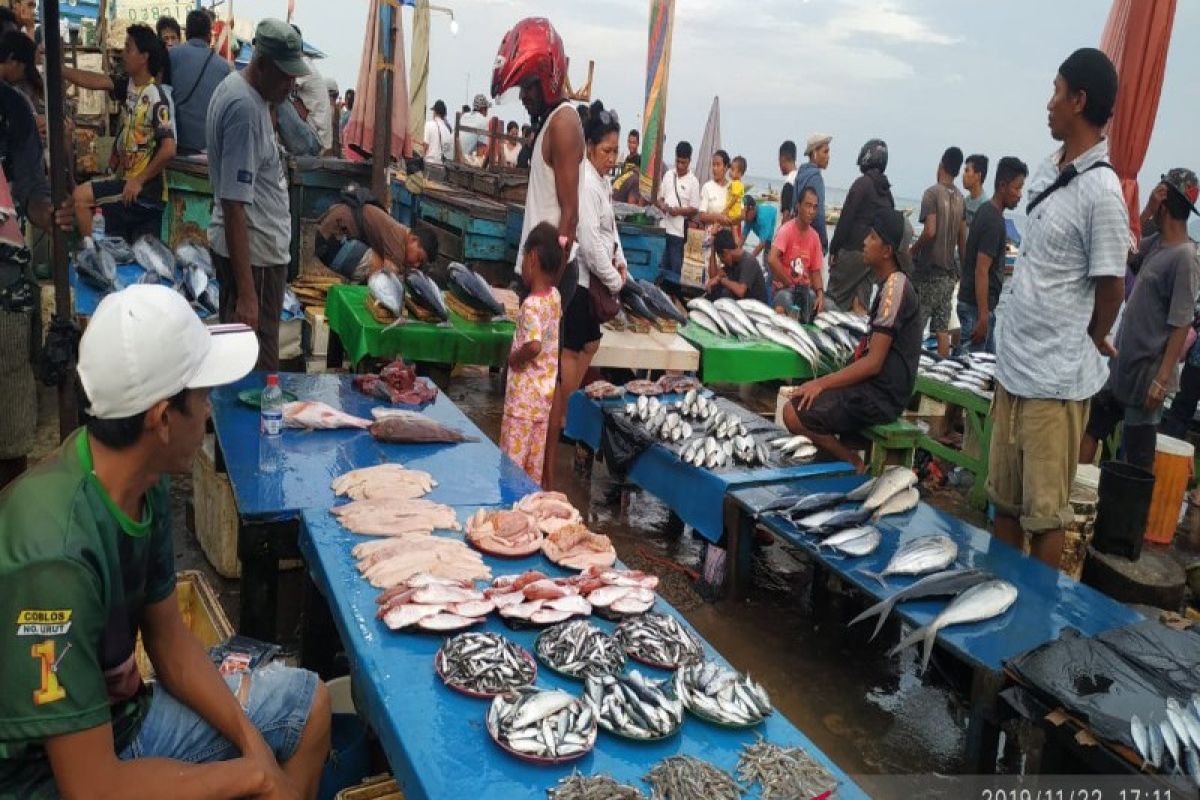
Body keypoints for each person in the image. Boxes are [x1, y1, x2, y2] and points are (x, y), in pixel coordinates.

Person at [0, 285, 331, 799]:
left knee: (308, 707)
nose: (208, 411)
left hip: (119, 719)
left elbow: (170, 642)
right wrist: (253, 777)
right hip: (46, 777)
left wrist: (253, 746)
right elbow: (93, 789)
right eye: (200, 397)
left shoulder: (139, 482)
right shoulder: (55, 556)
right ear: (160, 418)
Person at [988, 47, 1126, 569]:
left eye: (1056, 92)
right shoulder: (1047, 170)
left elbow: (1111, 288)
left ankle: (1031, 627)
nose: (1049, 104)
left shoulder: (1105, 193)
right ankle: (996, 598)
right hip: (1014, 369)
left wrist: (1087, 338)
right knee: (1004, 501)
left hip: (1056, 383)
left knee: (1045, 517)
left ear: (1079, 100)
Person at [492, 16, 584, 488]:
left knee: (544, 388)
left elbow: (569, 214)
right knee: (533, 385)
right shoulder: (550, 122)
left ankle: (545, 483)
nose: (524, 97)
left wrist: (546, 282)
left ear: (547, 78)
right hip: (541, 273)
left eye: (527, 86)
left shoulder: (565, 124)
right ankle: (531, 478)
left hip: (551, 273)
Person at [1079, 169, 1200, 472]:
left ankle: (1127, 516)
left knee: (1135, 459)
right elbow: (1125, 251)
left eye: (1158, 194)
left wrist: (1161, 379)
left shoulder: (1185, 257)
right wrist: (1145, 211)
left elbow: (1181, 322)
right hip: (1121, 365)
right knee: (1092, 428)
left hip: (1147, 376)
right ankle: (1075, 489)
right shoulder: (1157, 243)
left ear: (1166, 202)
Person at [784, 209, 921, 473]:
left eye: (872, 237)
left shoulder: (895, 287)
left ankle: (853, 464)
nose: (864, 242)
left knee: (793, 413)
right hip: (878, 389)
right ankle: (844, 459)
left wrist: (821, 384)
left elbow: (873, 363)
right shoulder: (889, 284)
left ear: (887, 250)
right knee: (809, 394)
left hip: (883, 396)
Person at [207, 19, 308, 372]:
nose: (290, 85)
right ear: (261, 64)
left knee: (239, 360)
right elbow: (234, 205)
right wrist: (248, 294)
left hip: (258, 255)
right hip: (256, 259)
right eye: (285, 76)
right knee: (258, 370)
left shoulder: (242, 91)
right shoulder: (245, 110)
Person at [0, 35, 71, 490]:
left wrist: (53, 214)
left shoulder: (13, 110)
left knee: (11, 419)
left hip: (6, 283)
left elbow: (31, 191)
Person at [66, 25, 176, 243]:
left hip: (144, 192)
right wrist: (60, 69)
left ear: (144, 56)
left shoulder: (156, 97)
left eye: (128, 48)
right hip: (130, 187)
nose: (124, 54)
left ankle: (93, 261)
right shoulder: (130, 86)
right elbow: (96, 81)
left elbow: (169, 149)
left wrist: (138, 180)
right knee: (135, 255)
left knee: (80, 197)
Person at [561, 100, 628, 450]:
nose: (612, 158)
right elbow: (588, 240)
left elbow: (610, 231)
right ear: (589, 147)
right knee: (572, 350)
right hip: (582, 282)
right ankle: (564, 419)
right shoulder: (587, 183)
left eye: (616, 151)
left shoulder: (602, 182)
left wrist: (622, 263)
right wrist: (615, 280)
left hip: (597, 280)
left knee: (589, 342)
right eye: (607, 150)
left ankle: (566, 413)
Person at [502, 222, 563, 487]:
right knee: (531, 474)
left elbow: (535, 345)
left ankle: (507, 516)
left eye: (524, 256)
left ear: (533, 259)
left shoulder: (531, 305)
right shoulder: (555, 296)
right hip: (542, 405)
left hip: (521, 405)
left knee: (510, 469)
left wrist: (514, 357)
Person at [958, 156, 1027, 354]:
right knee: (970, 371)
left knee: (989, 368)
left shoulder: (986, 211)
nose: (1020, 195)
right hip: (976, 309)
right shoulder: (993, 221)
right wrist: (982, 317)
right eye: (1017, 187)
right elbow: (981, 270)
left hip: (979, 308)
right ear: (1003, 186)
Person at [911, 146, 966, 358]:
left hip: (928, 273)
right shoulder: (960, 198)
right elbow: (963, 240)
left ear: (941, 165)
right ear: (958, 171)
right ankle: (942, 370)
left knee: (916, 325)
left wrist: (912, 250)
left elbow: (930, 231)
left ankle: (911, 365)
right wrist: (961, 272)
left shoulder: (932, 194)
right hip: (948, 275)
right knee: (942, 329)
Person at [827, 139, 894, 313]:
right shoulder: (888, 194)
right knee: (860, 303)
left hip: (852, 251)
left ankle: (821, 336)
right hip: (874, 258)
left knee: (833, 299)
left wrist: (834, 249)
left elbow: (846, 218)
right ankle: (858, 339)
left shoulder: (862, 184)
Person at [315, 198, 439, 282]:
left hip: (329, 236)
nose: (416, 265)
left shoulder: (399, 232)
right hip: (333, 242)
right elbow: (390, 280)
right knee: (382, 274)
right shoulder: (398, 245)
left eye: (420, 264)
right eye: (419, 258)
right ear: (413, 240)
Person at [168, 9, 231, 156]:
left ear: (187, 32)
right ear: (209, 35)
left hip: (177, 143)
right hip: (209, 147)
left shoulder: (172, 56)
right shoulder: (224, 67)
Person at [769, 187, 824, 319]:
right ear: (798, 206)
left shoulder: (815, 237)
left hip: (804, 291)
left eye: (815, 207)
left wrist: (820, 294)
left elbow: (815, 271)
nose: (811, 211)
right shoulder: (786, 230)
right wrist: (788, 283)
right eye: (808, 206)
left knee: (817, 303)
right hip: (784, 290)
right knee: (787, 303)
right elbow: (772, 259)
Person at [277, 35, 331, 157]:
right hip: (314, 138)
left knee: (276, 98)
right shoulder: (304, 65)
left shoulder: (304, 66)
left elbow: (277, 88)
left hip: (313, 142)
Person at [656, 142, 700, 282]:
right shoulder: (669, 175)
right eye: (678, 161)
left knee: (674, 271)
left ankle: (673, 297)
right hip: (663, 228)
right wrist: (663, 206)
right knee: (660, 268)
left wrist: (679, 211)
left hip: (679, 233)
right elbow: (660, 198)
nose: (680, 166)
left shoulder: (693, 181)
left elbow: (694, 209)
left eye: (683, 162)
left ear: (689, 161)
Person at [706, 227, 767, 304]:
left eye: (722, 259)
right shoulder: (731, 261)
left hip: (755, 307)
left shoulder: (748, 261)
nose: (723, 262)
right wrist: (713, 249)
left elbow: (740, 291)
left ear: (725, 253)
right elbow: (713, 277)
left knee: (725, 293)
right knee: (714, 289)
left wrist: (720, 280)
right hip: (742, 304)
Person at [795, 133, 832, 253]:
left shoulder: (801, 174)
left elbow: (794, 207)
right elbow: (818, 214)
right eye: (825, 152)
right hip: (810, 243)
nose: (828, 156)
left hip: (797, 238)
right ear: (815, 153)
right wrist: (823, 243)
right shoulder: (815, 177)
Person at [742, 195, 777, 296]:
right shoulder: (748, 218)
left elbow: (762, 244)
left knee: (769, 264)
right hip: (765, 238)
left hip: (772, 237)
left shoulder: (762, 218)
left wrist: (747, 260)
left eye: (746, 214)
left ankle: (769, 291)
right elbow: (742, 239)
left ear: (752, 209)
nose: (744, 218)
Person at [458, 93, 492, 162]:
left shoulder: (464, 116)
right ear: (483, 109)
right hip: (462, 157)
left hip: (450, 152)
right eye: (487, 109)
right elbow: (481, 151)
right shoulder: (483, 120)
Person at [962, 154, 989, 227]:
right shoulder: (965, 202)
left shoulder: (986, 207)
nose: (963, 175)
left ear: (978, 176)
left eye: (967, 171)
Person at [724, 155, 748, 239]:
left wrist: (727, 208)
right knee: (733, 230)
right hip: (734, 211)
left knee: (734, 230)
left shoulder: (737, 183)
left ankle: (737, 243)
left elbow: (735, 198)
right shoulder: (734, 182)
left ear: (739, 173)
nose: (730, 172)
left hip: (734, 212)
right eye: (731, 169)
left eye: (733, 170)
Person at [423, 99, 453, 163]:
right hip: (441, 165)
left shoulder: (429, 124)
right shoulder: (447, 130)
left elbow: (426, 146)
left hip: (429, 163)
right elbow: (447, 151)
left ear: (435, 112)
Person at [777, 140, 798, 223]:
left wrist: (780, 235)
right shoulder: (801, 178)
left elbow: (786, 216)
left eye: (779, 160)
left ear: (783, 158)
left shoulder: (789, 183)